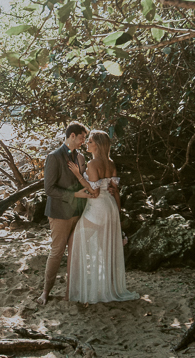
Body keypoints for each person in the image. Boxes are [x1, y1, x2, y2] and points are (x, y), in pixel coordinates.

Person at [65, 130, 138, 304]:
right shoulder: (111, 162)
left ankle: (72, 290)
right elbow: (115, 191)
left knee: (74, 243)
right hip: (111, 207)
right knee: (106, 249)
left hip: (97, 209)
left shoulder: (92, 164)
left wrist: (77, 175)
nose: (87, 144)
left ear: (97, 144)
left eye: (89, 141)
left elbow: (95, 192)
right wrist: (117, 216)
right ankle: (110, 287)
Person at [37, 122, 100, 306]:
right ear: (71, 136)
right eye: (81, 138)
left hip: (78, 212)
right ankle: (45, 292)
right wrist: (74, 194)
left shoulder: (80, 157)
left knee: (75, 253)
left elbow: (86, 180)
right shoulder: (54, 157)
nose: (83, 142)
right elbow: (49, 189)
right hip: (59, 213)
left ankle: (70, 292)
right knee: (57, 252)